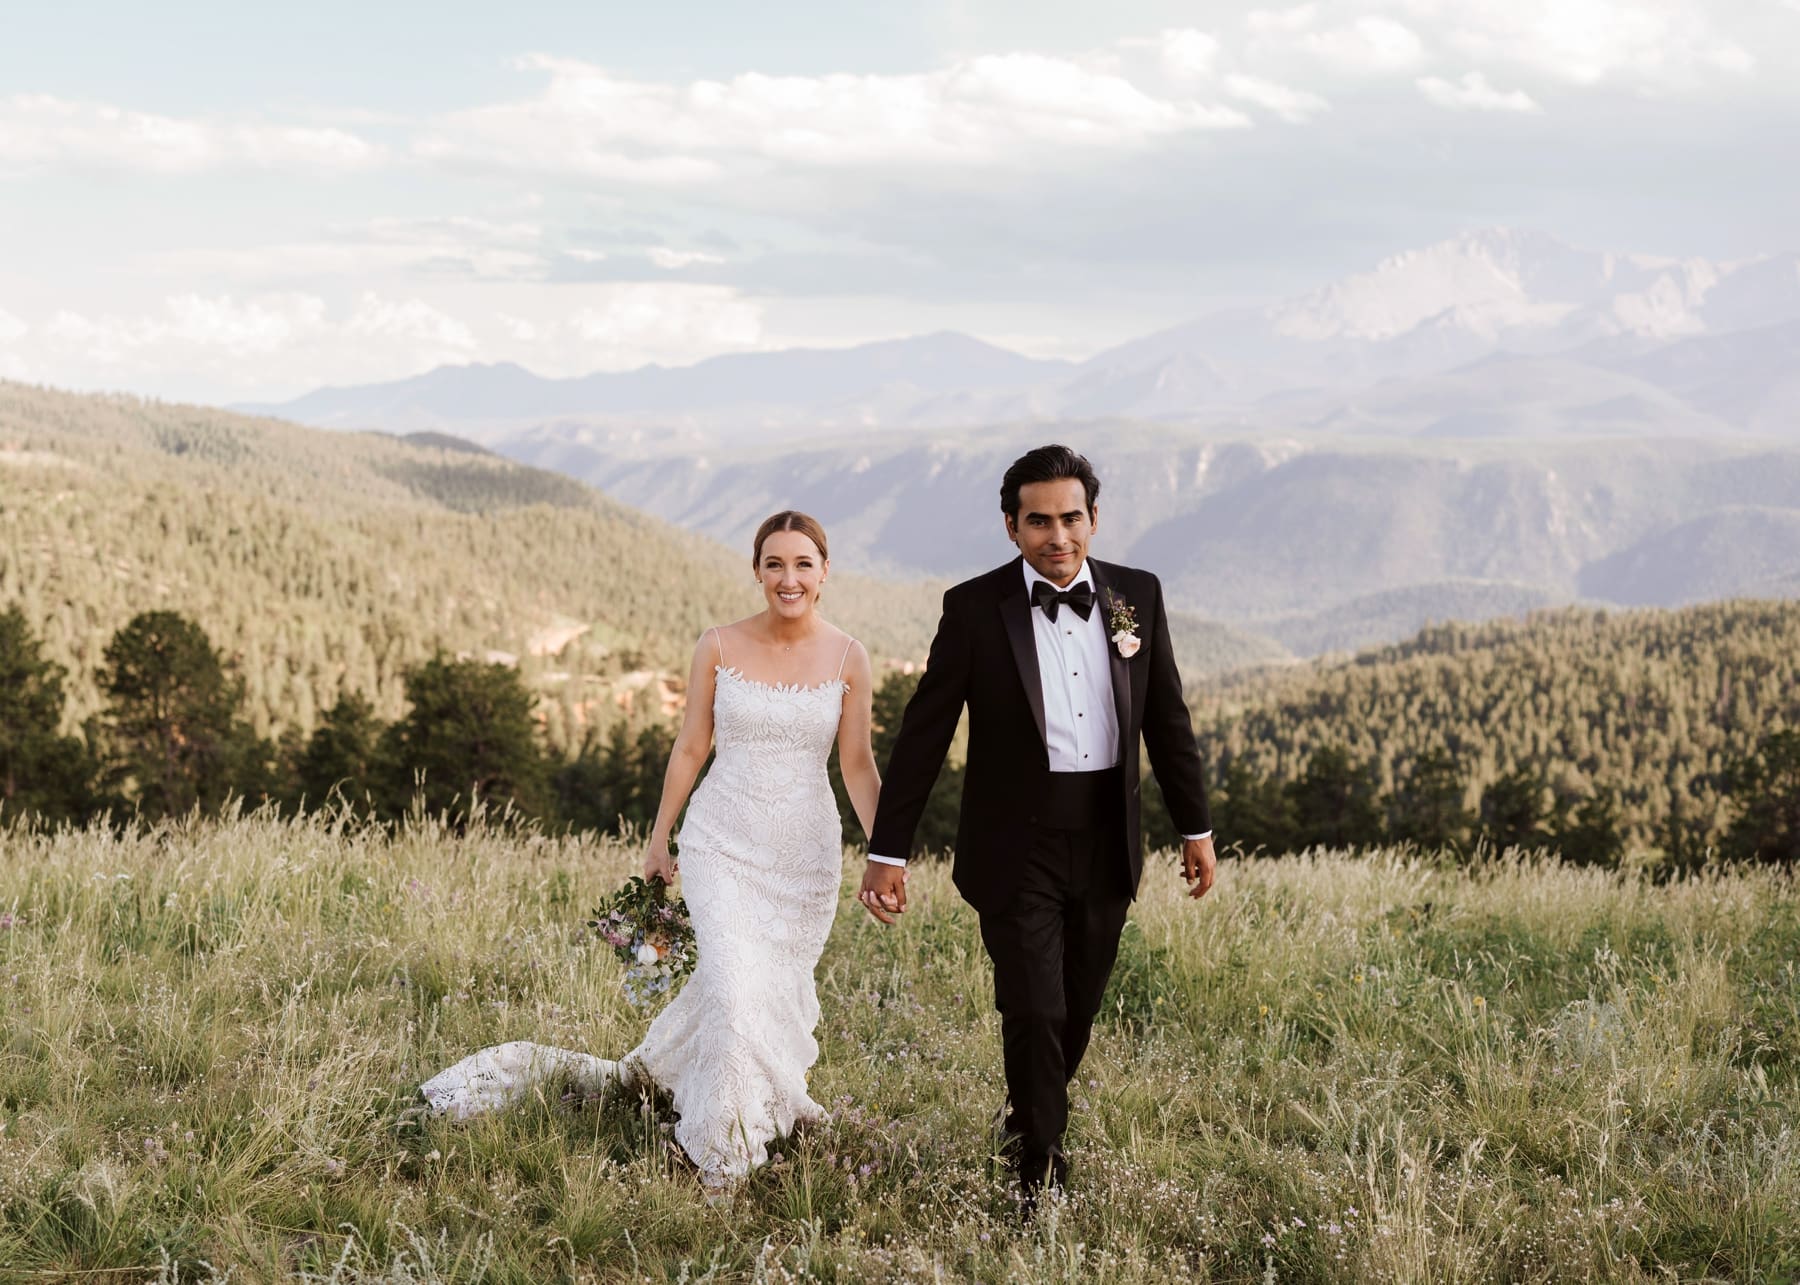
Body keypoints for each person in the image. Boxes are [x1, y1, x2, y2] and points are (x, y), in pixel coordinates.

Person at [421, 511, 879, 1187]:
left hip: (803, 862)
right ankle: (721, 1152)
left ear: (825, 570)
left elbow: (860, 764)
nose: (789, 578)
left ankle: (740, 1100)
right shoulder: (718, 644)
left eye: (803, 564)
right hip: (721, 843)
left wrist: (886, 853)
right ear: (756, 570)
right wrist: (659, 835)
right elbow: (691, 744)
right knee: (729, 986)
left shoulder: (849, 656)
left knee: (767, 996)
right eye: (774, 563)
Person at [860, 443, 1216, 1212]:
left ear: (1094, 517)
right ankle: (1039, 1169)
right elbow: (923, 735)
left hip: (1107, 835)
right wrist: (888, 848)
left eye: (1072, 517)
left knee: (1079, 1002)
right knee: (1035, 1004)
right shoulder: (973, 607)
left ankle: (1026, 1112)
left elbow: (1167, 717)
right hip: (1015, 842)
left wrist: (1196, 826)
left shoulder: (1136, 597)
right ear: (1011, 526)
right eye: (1039, 521)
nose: (1058, 535)